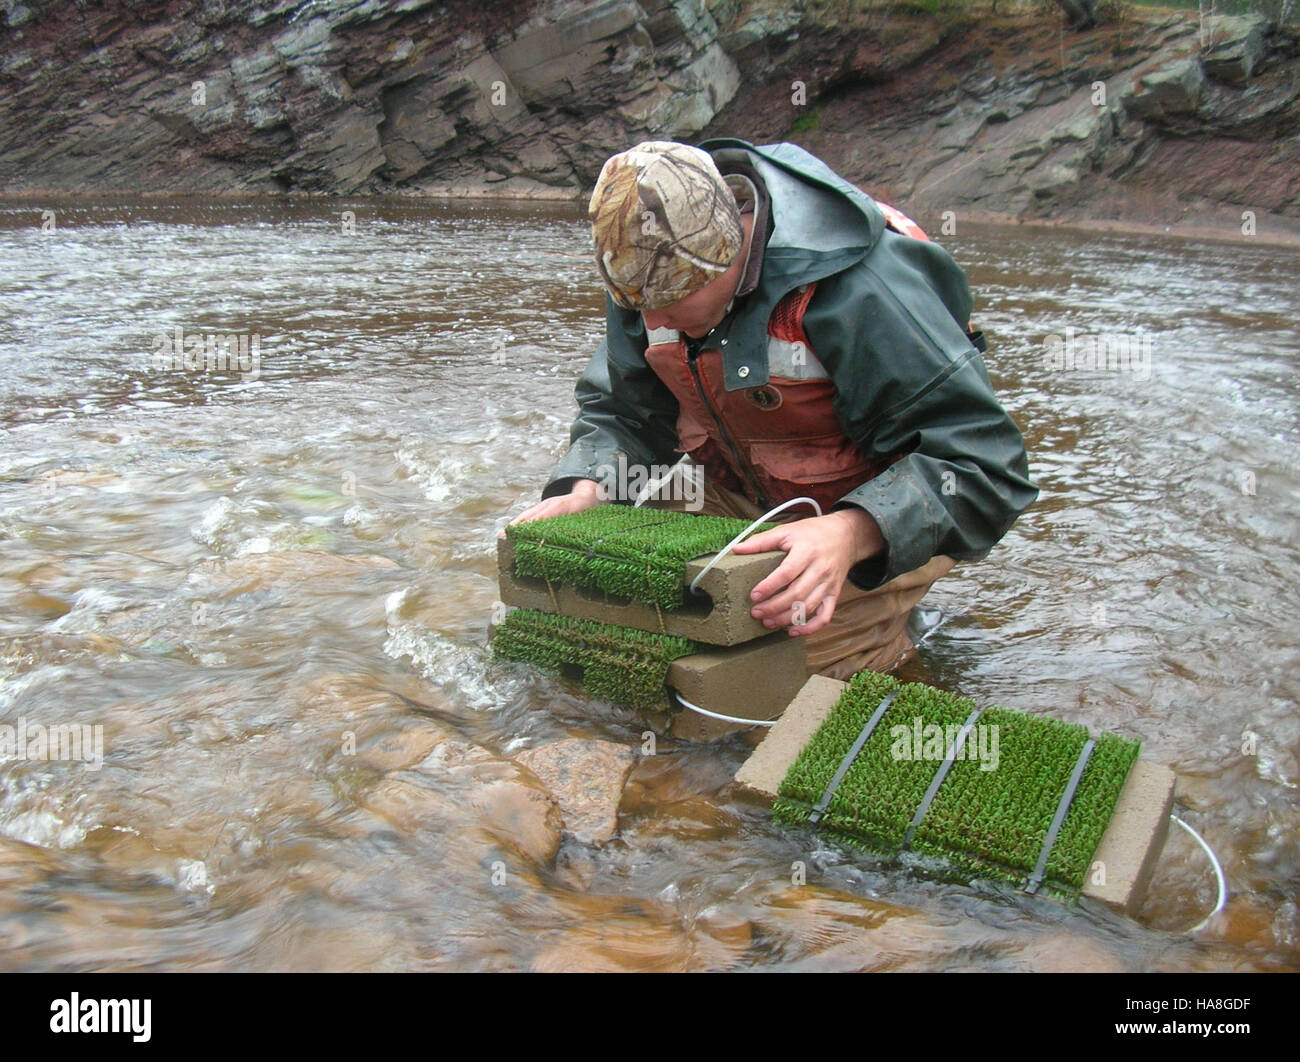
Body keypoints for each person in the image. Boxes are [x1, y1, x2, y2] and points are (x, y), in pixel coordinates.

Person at [510, 139, 1037, 680]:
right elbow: (622, 412)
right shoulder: (641, 277)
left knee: (769, 681)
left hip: (872, 512)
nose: (658, 315)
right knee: (604, 625)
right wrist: (588, 486)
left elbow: (983, 467)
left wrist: (852, 532)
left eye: (675, 297)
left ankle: (897, 638)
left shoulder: (860, 288)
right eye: (641, 303)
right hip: (734, 488)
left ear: (726, 252)